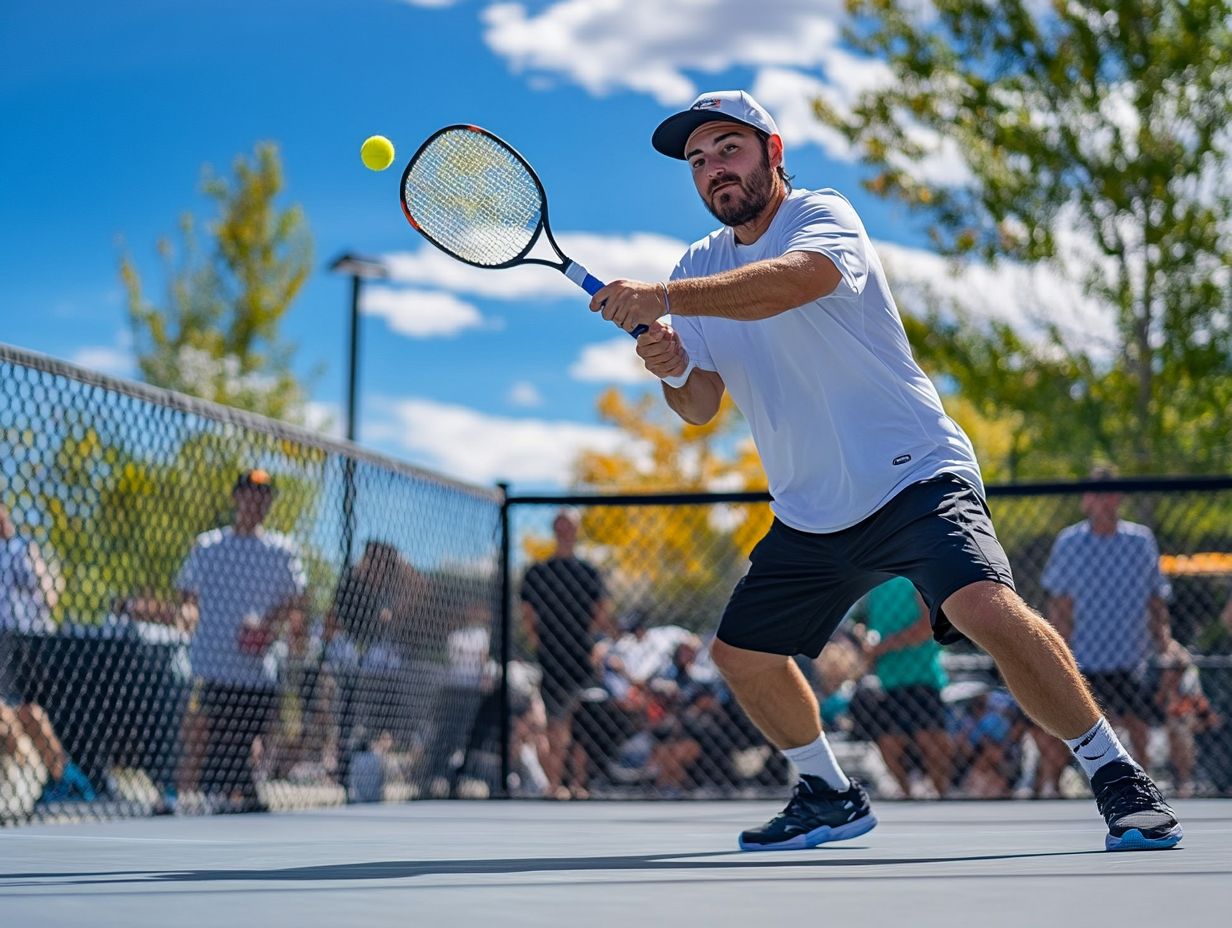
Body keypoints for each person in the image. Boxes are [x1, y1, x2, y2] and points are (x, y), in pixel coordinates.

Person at [592, 90, 1182, 851]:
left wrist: (666, 297)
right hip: (811, 509)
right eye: (698, 161)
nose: (713, 170)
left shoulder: (819, 215)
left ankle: (1116, 774)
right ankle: (828, 793)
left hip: (914, 476)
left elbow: (797, 281)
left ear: (772, 153)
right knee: (740, 657)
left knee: (985, 610)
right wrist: (671, 363)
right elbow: (700, 406)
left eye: (728, 149)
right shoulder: (697, 267)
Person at [174, 469, 307, 812]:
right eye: (250, 493)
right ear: (237, 497)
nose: (257, 501)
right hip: (211, 663)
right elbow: (187, 597)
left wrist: (268, 621)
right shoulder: (209, 546)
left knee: (246, 740)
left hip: (256, 668)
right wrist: (186, 616)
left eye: (264, 495)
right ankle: (188, 800)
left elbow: (298, 599)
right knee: (204, 735)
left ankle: (236, 797)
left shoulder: (281, 550)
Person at [1035, 470, 1174, 796]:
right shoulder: (1069, 543)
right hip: (1084, 659)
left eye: (1109, 493)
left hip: (1130, 658)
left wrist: (1164, 645)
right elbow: (1060, 607)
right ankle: (1049, 790)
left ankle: (1145, 789)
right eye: (1095, 494)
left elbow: (1156, 601)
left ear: (1118, 498)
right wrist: (1058, 656)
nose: (1102, 501)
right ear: (1086, 501)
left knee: (1139, 726)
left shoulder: (1140, 541)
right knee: (1061, 725)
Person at [0, 503, 93, 813]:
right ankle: (49, 775)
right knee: (18, 713)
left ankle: (63, 777)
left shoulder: (22, 548)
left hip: (21, 641)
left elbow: (49, 592)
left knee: (26, 712)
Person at [519, 508, 612, 798]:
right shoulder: (537, 572)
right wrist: (538, 641)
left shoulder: (588, 572)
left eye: (569, 525)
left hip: (581, 654)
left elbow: (601, 609)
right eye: (560, 526)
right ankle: (555, 784)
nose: (565, 531)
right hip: (552, 654)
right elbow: (528, 612)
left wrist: (592, 642)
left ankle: (578, 784)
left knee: (581, 721)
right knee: (554, 721)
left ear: (576, 530)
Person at [849, 577, 953, 798]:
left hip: (922, 677)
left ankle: (941, 796)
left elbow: (926, 628)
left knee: (930, 741)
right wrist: (865, 642)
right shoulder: (871, 585)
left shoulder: (916, 579)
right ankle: (908, 795)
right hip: (887, 681)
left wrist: (883, 647)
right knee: (889, 743)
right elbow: (861, 625)